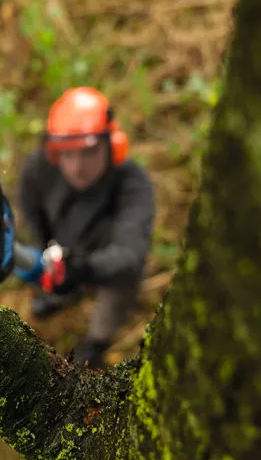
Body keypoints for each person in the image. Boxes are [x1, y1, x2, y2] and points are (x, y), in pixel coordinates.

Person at [13, 86, 156, 368]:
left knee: (125, 279)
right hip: (63, 248)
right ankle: (63, 294)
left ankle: (97, 341)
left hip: (105, 260)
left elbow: (129, 256)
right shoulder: (40, 170)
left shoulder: (133, 185)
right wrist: (50, 256)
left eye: (88, 152)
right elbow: (31, 209)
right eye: (67, 155)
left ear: (112, 145)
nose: (77, 166)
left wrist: (83, 270)